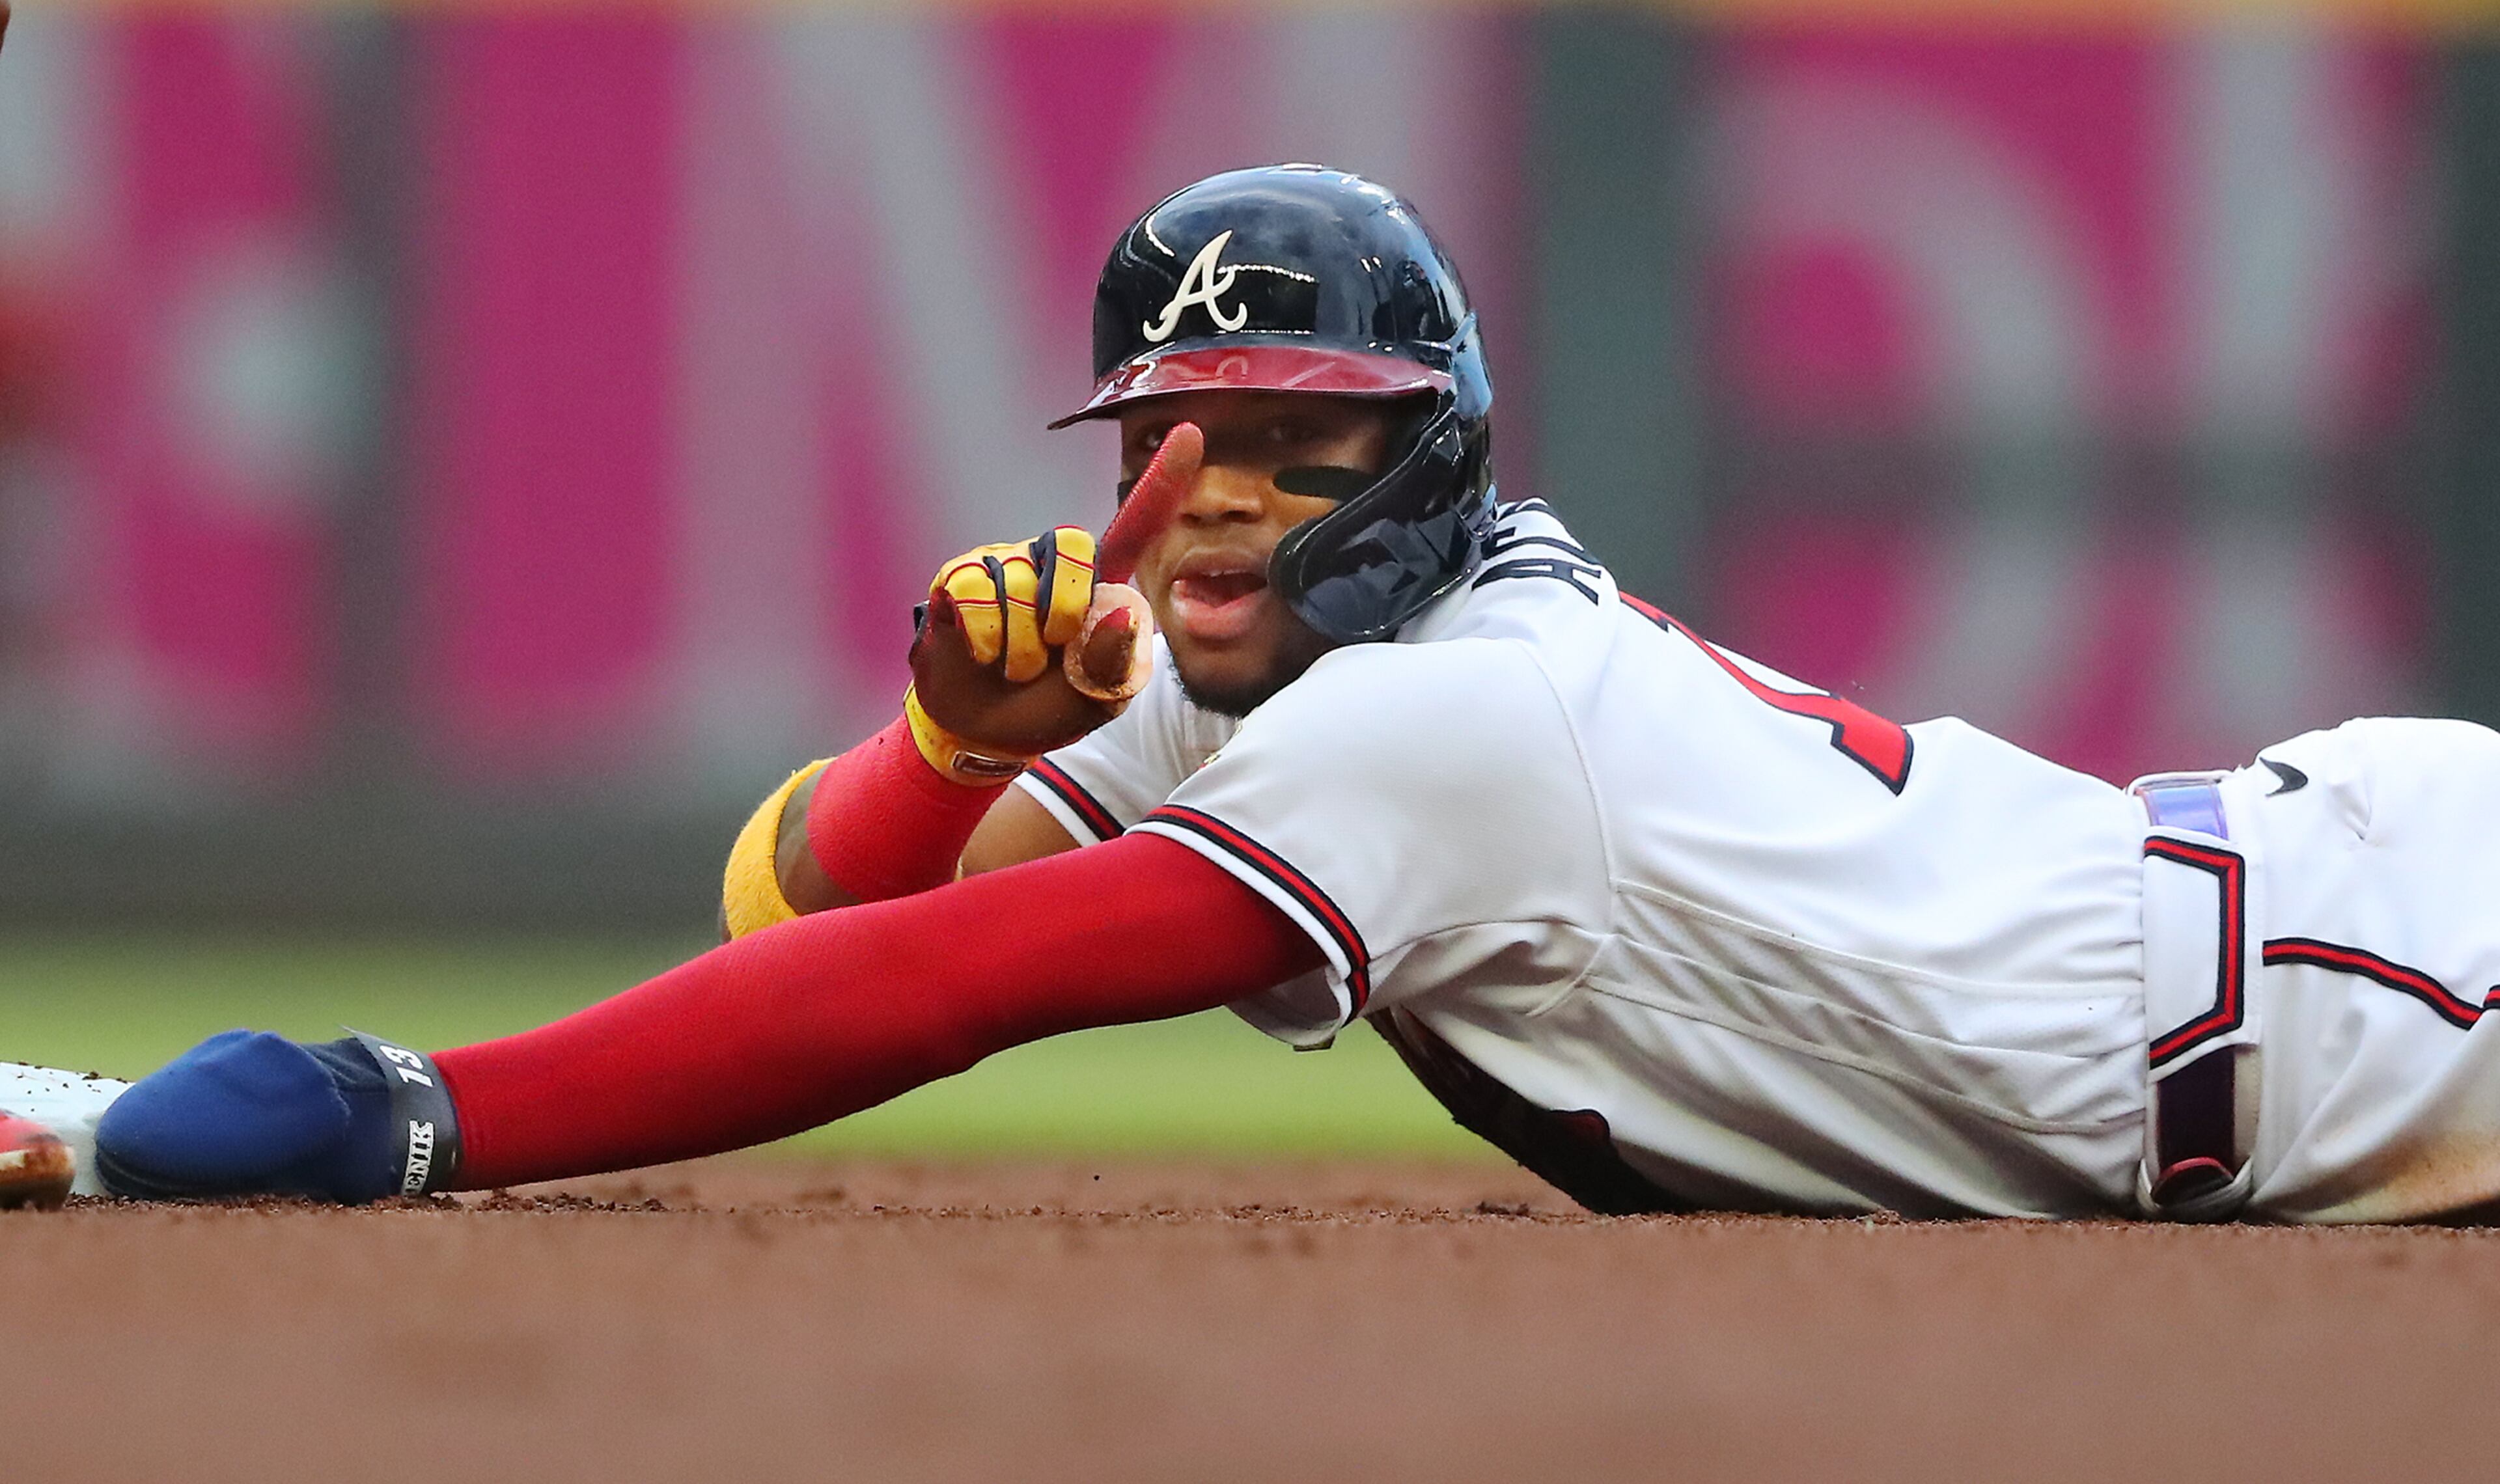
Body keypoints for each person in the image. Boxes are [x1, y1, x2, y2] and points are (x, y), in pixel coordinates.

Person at [16, 163, 2500, 1224]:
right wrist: (954, 747)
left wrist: (392, 1115)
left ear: (1426, 446)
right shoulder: (1279, 644)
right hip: (2303, 936)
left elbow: (935, 984)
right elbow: (794, 900)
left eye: (1296, 436)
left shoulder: (1455, 715)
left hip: (2383, 990)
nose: (1209, 491)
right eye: (1173, 438)